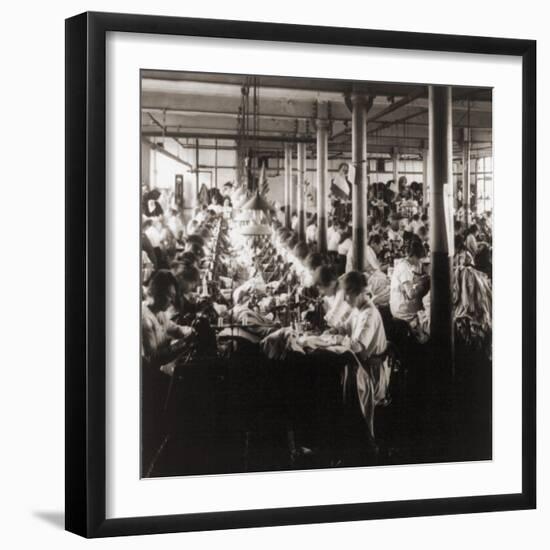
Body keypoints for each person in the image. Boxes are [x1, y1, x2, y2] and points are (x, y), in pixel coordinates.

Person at [338, 271, 391, 443]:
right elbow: (344, 328)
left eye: (348, 295)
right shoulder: (358, 309)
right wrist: (334, 331)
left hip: (372, 374)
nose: (345, 299)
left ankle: (362, 442)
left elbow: (359, 348)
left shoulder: (369, 314)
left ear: (360, 293)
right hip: (363, 367)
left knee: (342, 394)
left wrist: (339, 339)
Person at [390, 239, 430, 323]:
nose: (420, 261)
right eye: (419, 258)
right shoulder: (404, 268)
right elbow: (411, 294)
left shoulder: (404, 264)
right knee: (427, 312)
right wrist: (422, 284)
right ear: (414, 256)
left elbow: (409, 282)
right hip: (401, 310)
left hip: (397, 304)